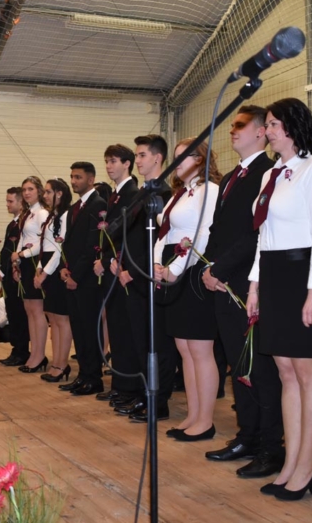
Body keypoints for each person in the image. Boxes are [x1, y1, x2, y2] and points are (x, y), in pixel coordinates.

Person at [245, 98, 312, 501]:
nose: (268, 131)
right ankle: (291, 461)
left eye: (273, 124)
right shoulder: (271, 175)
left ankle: (307, 466)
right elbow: (263, 236)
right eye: (267, 124)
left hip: (302, 276)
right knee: (285, 372)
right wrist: (254, 285)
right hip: (273, 275)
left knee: (307, 373)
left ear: (294, 127)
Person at [201, 106, 284, 478]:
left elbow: (257, 233)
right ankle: (247, 436)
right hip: (223, 280)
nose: (232, 131)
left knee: (259, 369)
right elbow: (219, 229)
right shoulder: (234, 176)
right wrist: (208, 267)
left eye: (240, 125)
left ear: (262, 132)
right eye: (232, 125)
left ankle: (271, 446)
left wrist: (220, 269)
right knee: (238, 366)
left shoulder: (268, 173)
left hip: (248, 281)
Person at [153, 138, 220, 440]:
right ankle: (193, 415)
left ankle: (205, 420)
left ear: (201, 159)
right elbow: (164, 232)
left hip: (192, 270)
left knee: (200, 348)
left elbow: (202, 235)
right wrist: (156, 265)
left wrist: (176, 269)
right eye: (176, 157)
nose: (177, 162)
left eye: (184, 156)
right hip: (172, 268)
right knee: (184, 347)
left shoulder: (210, 190)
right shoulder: (180, 194)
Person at [111, 134, 176, 422]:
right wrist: (118, 262)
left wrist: (134, 271)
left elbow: (157, 243)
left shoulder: (164, 194)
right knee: (139, 340)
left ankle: (159, 401)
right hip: (131, 276)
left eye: (141, 155)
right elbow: (131, 236)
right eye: (136, 155)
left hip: (148, 277)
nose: (137, 161)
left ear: (157, 158)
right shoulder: (141, 194)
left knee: (156, 343)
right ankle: (143, 392)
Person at [75, 144, 138, 399]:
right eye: (107, 161)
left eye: (113, 161)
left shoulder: (132, 193)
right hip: (111, 267)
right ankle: (120, 386)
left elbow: (129, 235)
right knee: (116, 328)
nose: (109, 166)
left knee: (124, 331)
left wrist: (108, 258)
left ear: (127, 164)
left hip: (121, 268)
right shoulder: (116, 194)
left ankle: (128, 387)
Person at [60, 162, 108, 393]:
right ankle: (83, 374)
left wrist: (76, 275)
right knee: (78, 328)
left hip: (87, 278)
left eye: (78, 177)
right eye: (72, 176)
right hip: (73, 275)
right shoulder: (74, 207)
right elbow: (69, 243)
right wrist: (65, 268)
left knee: (90, 328)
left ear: (91, 179)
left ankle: (94, 377)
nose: (73, 181)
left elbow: (92, 246)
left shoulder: (98, 204)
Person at [34, 178, 73, 382]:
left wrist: (45, 272)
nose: (45, 195)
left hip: (58, 266)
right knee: (53, 318)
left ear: (59, 194)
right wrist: (39, 266)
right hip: (48, 264)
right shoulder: (52, 215)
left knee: (61, 319)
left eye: (49, 192)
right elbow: (46, 244)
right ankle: (56, 362)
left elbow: (59, 248)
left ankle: (62, 363)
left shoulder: (66, 215)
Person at [11, 177, 50, 373]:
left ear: (39, 191)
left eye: (30, 189)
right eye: (24, 189)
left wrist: (23, 254)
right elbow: (23, 238)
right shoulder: (28, 213)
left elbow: (44, 241)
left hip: (35, 262)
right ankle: (34, 353)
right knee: (29, 310)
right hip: (25, 262)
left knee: (37, 310)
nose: (26, 193)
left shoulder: (42, 213)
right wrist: (16, 260)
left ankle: (40, 355)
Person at [0, 187, 30, 366]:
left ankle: (22, 351)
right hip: (8, 275)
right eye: (7, 201)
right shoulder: (12, 224)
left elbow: (19, 250)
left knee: (19, 315)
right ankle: (16, 349)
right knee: (13, 313)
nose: (7, 204)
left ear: (20, 202)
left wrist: (9, 268)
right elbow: (5, 250)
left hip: (17, 274)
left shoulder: (24, 224)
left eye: (10, 201)